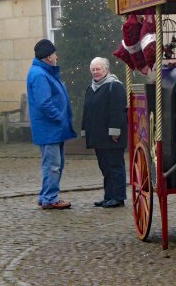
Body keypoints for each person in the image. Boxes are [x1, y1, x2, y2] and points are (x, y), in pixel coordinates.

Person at [27, 39, 77, 209]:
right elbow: (44, 103)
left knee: (54, 164)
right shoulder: (40, 74)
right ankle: (50, 198)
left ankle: (46, 196)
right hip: (50, 129)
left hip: (52, 128)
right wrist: (59, 117)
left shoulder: (43, 72)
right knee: (53, 166)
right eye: (55, 54)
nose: (57, 56)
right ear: (48, 57)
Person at [82, 57, 127, 208]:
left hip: (112, 137)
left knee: (115, 166)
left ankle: (118, 197)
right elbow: (87, 111)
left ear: (106, 70)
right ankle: (108, 196)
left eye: (98, 69)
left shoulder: (114, 86)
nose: (95, 72)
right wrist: (85, 131)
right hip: (98, 136)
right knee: (105, 167)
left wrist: (115, 132)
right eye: (93, 70)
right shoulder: (91, 88)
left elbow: (118, 111)